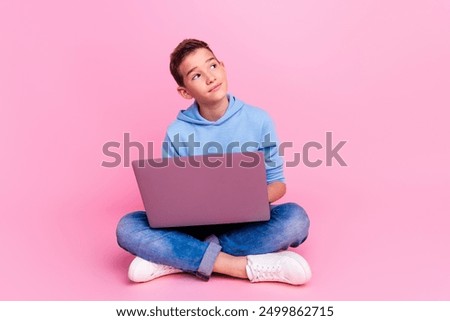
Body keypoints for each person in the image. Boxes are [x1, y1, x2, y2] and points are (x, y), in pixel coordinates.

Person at [116, 39, 311, 285]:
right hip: (192, 228)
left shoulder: (259, 120)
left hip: (245, 225)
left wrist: (246, 201)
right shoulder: (177, 132)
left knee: (296, 219)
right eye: (196, 75)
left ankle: (175, 258)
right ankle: (240, 266)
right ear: (185, 91)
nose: (210, 78)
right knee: (127, 226)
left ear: (223, 67)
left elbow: (278, 184)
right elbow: (170, 196)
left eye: (212, 67)